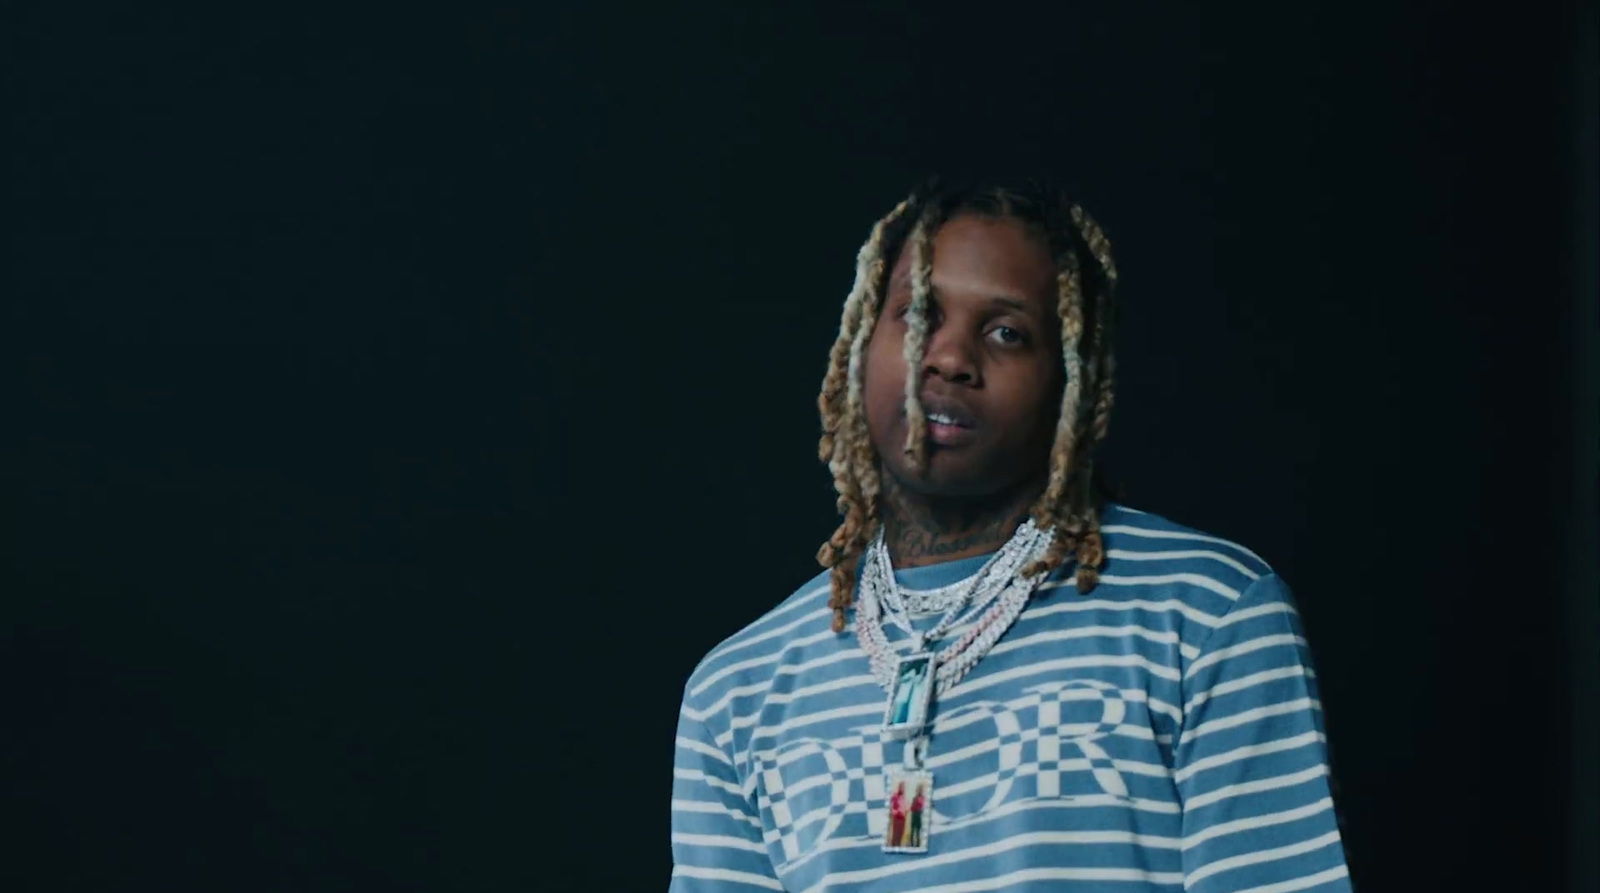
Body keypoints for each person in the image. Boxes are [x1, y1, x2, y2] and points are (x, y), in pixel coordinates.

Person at [669, 176, 1351, 892]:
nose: (949, 358)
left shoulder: (1208, 613)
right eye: (919, 313)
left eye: (1006, 333)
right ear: (860, 340)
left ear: (1071, 383)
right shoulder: (737, 691)